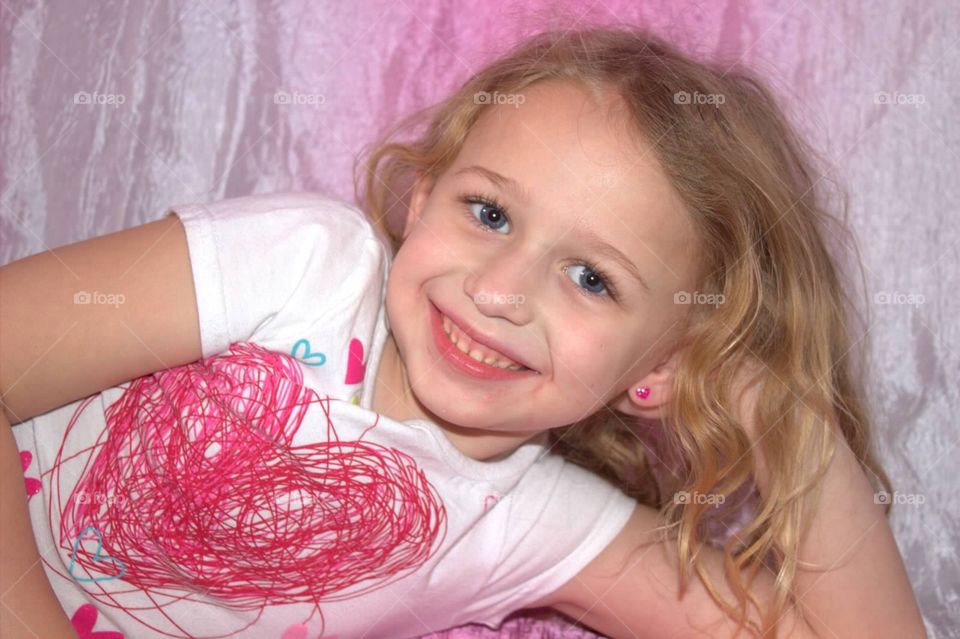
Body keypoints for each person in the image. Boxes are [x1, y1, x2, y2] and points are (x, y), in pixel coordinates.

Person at [0, 26, 926, 639]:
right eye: (489, 213)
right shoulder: (298, 267)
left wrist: (780, 417)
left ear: (662, 368)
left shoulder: (527, 524)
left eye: (592, 278)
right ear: (424, 191)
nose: (501, 291)